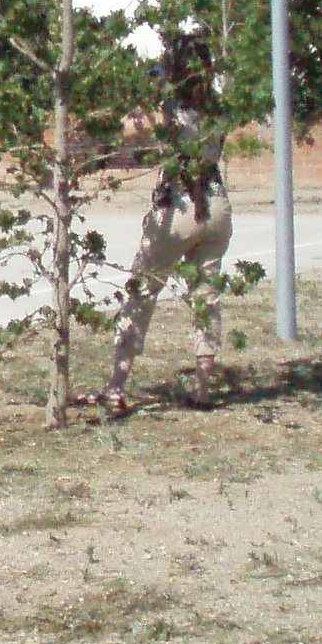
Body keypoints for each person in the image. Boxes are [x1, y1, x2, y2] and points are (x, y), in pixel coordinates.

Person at [98, 34, 232, 416]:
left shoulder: (168, 109)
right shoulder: (218, 109)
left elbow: (126, 128)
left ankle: (116, 387)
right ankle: (203, 389)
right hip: (216, 204)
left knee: (142, 292)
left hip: (178, 205)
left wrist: (148, 92)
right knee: (206, 297)